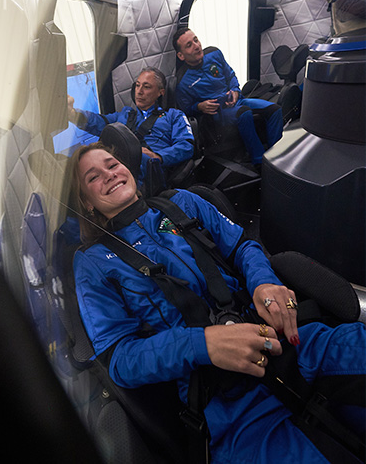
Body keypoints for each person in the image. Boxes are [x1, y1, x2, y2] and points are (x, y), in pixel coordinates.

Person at [70, 141, 365, 462]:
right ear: (87, 203)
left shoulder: (178, 205)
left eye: (112, 164)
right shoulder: (94, 261)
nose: (109, 175)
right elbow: (121, 360)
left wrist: (264, 282)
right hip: (223, 399)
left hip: (284, 340)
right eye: (93, 176)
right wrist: (205, 344)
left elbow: (242, 246)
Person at [173, 27, 283, 166]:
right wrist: (199, 106)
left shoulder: (214, 53)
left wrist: (235, 90)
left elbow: (230, 75)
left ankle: (276, 157)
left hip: (238, 101)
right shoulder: (182, 81)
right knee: (244, 114)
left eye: (196, 40)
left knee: (275, 110)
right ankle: (260, 162)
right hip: (219, 113)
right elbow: (185, 109)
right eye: (189, 45)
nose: (196, 46)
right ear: (181, 56)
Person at [68, 66, 194, 186]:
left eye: (147, 87)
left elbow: (186, 146)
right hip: (118, 164)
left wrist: (159, 156)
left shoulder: (173, 116)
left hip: (149, 172)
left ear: (160, 92)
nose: (139, 92)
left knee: (141, 159)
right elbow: (98, 121)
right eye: (137, 85)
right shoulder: (125, 114)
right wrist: (73, 114)